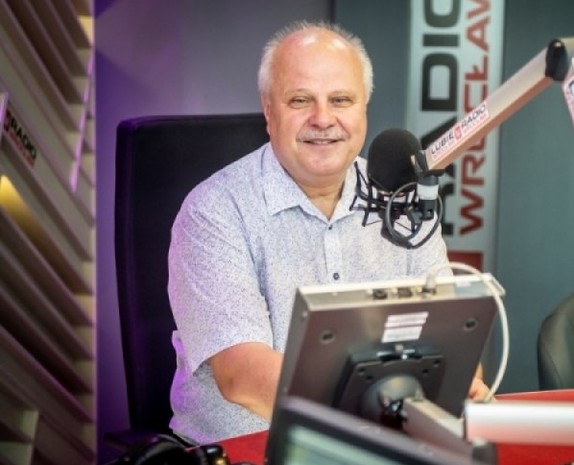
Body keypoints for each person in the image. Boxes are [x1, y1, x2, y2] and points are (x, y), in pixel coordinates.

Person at [167, 20, 490, 444]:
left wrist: (459, 380)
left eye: (341, 100)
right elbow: (242, 377)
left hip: (386, 441)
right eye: (300, 100)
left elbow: (452, 343)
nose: (323, 119)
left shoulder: (405, 201)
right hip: (250, 449)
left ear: (363, 108)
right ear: (269, 111)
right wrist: (382, 410)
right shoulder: (214, 212)